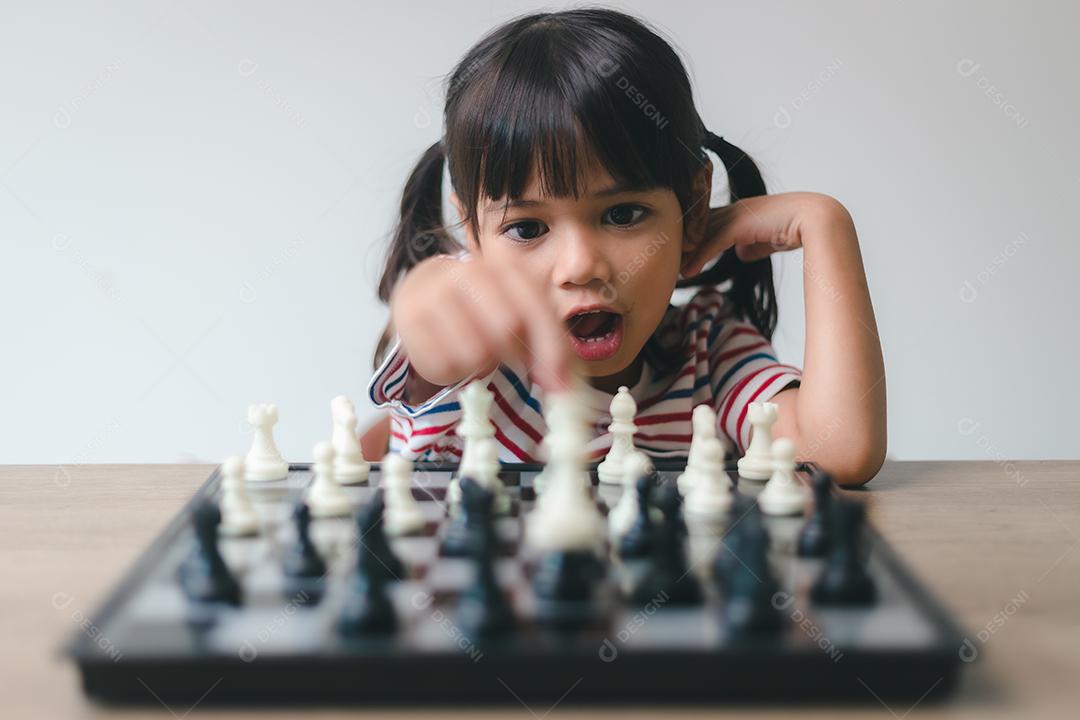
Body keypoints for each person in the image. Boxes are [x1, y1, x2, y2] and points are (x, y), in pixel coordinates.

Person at [362, 8, 885, 487]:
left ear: (692, 205)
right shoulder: (474, 357)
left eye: (622, 214)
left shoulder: (708, 350)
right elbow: (434, 325)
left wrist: (824, 224)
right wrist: (428, 300)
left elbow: (835, 454)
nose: (580, 265)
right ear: (472, 234)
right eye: (526, 229)